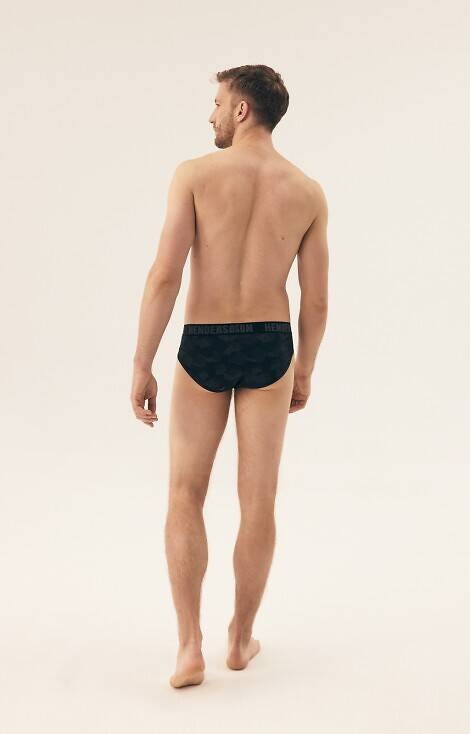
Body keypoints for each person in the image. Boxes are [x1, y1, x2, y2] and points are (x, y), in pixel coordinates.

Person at [130, 64, 329, 688]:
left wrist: (142, 361)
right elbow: (317, 300)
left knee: (185, 493)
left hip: (204, 342)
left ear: (242, 109)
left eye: (217, 102)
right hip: (271, 342)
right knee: (258, 500)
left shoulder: (195, 175)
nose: (211, 114)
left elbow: (165, 275)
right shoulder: (307, 191)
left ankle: (190, 647)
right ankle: (240, 639)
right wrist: (304, 369)